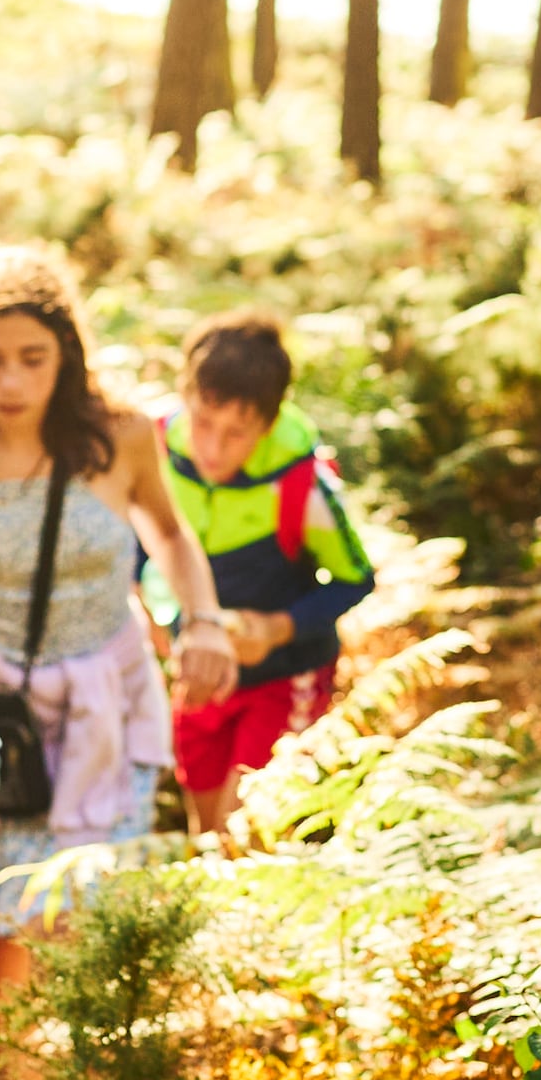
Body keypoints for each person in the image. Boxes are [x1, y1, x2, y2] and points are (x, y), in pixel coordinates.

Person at [0, 250, 237, 973]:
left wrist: (203, 620)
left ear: (67, 355)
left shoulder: (122, 435)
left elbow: (169, 533)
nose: (11, 380)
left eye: (31, 358)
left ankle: (80, 1075)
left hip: (108, 698)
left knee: (86, 914)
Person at [158, 310, 380, 834]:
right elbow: (141, 556)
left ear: (270, 423)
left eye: (236, 434)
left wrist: (275, 629)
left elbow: (357, 579)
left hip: (286, 676)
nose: (213, 448)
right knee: (205, 825)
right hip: (201, 674)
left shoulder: (302, 485)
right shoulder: (157, 453)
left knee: (250, 829)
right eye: (203, 423)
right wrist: (169, 627)